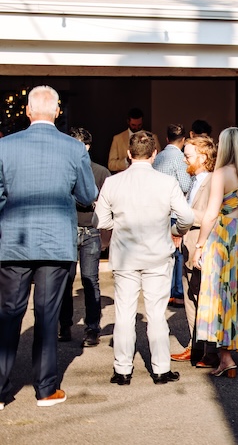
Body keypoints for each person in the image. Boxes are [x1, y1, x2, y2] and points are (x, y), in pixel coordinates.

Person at [0, 85, 98, 408]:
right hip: (56, 244)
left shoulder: (4, 147)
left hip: (14, 243)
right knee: (47, 316)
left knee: (8, 315)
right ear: (57, 112)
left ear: (28, 112)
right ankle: (45, 389)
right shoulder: (74, 149)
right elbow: (87, 195)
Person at [96, 131, 194, 386]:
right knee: (157, 314)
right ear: (154, 154)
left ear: (129, 154)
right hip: (158, 255)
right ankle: (161, 369)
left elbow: (101, 220)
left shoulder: (113, 182)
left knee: (124, 314)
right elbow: (187, 217)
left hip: (125, 256)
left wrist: (114, 226)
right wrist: (174, 231)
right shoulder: (165, 182)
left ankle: (122, 370)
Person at [192, 127, 238, 376]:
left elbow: (211, 214)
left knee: (220, 296)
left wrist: (200, 244)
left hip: (222, 242)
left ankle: (226, 359)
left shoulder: (220, 174)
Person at [59, 127, 110, 348]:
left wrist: (106, 235)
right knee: (65, 281)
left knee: (90, 281)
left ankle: (92, 328)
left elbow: (108, 204)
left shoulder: (100, 172)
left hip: (90, 230)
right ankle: (64, 325)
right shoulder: (61, 169)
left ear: (87, 147)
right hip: (68, 229)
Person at [170, 135, 217, 365]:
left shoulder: (212, 182)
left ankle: (210, 350)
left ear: (203, 156)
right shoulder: (194, 181)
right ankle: (195, 346)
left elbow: (213, 215)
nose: (184, 160)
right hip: (187, 246)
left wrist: (183, 216)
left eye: (188, 156)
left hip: (202, 247)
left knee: (202, 298)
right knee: (189, 297)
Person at [153, 123, 191, 308]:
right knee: (177, 254)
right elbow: (185, 185)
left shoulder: (157, 157)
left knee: (161, 253)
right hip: (174, 211)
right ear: (183, 140)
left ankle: (163, 291)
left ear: (167, 138)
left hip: (158, 211)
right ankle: (176, 292)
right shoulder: (180, 159)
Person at [108, 107, 160, 173]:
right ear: (128, 122)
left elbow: (159, 160)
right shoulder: (117, 139)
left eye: (139, 125)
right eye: (133, 125)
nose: (136, 128)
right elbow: (111, 164)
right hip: (125, 177)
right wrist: (126, 161)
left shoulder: (153, 137)